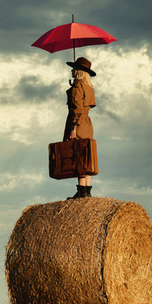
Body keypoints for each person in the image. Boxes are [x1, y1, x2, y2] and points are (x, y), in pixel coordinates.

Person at [63, 56, 96, 199]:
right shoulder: (89, 87)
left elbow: (77, 108)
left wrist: (73, 127)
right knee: (86, 157)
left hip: (79, 123)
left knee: (78, 157)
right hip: (87, 123)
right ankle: (86, 191)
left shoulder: (78, 86)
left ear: (78, 71)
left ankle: (82, 192)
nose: (71, 70)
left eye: (74, 68)